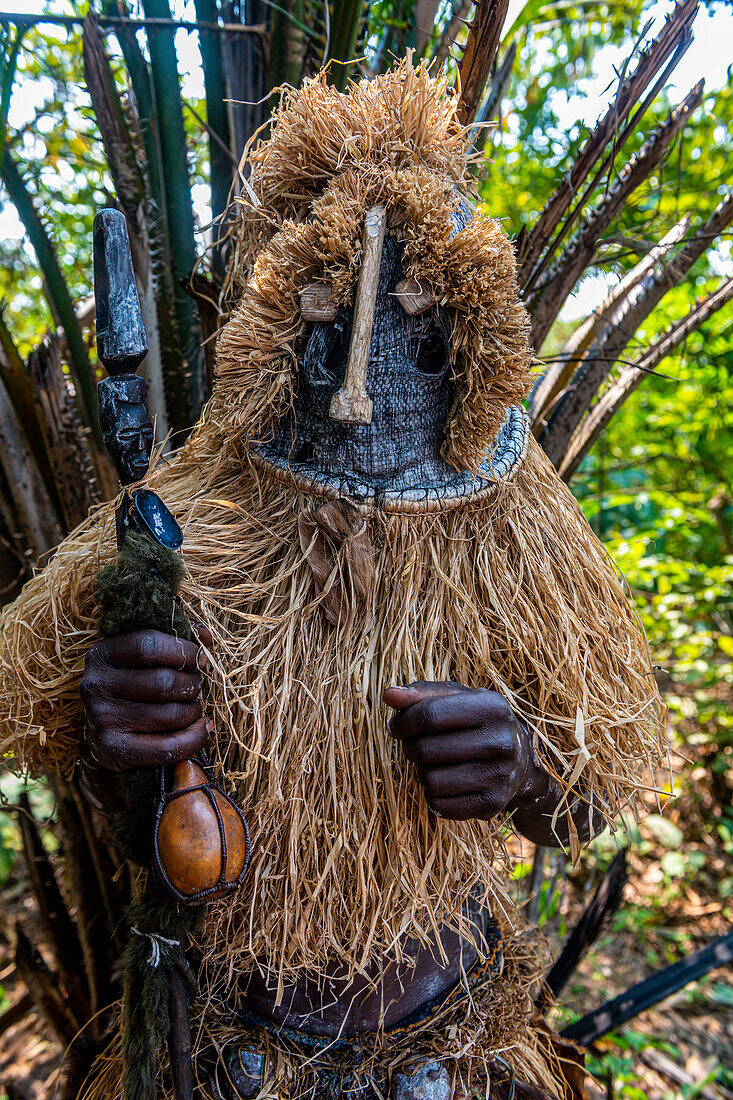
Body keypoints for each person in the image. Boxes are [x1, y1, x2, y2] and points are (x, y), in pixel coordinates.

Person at [0, 60, 665, 1100]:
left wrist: (528, 765)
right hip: (221, 1047)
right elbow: (27, 708)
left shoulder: (513, 522)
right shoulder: (186, 513)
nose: (362, 384)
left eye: (419, 328)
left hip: (449, 1044)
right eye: (324, 323)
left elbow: (595, 791)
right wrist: (110, 713)